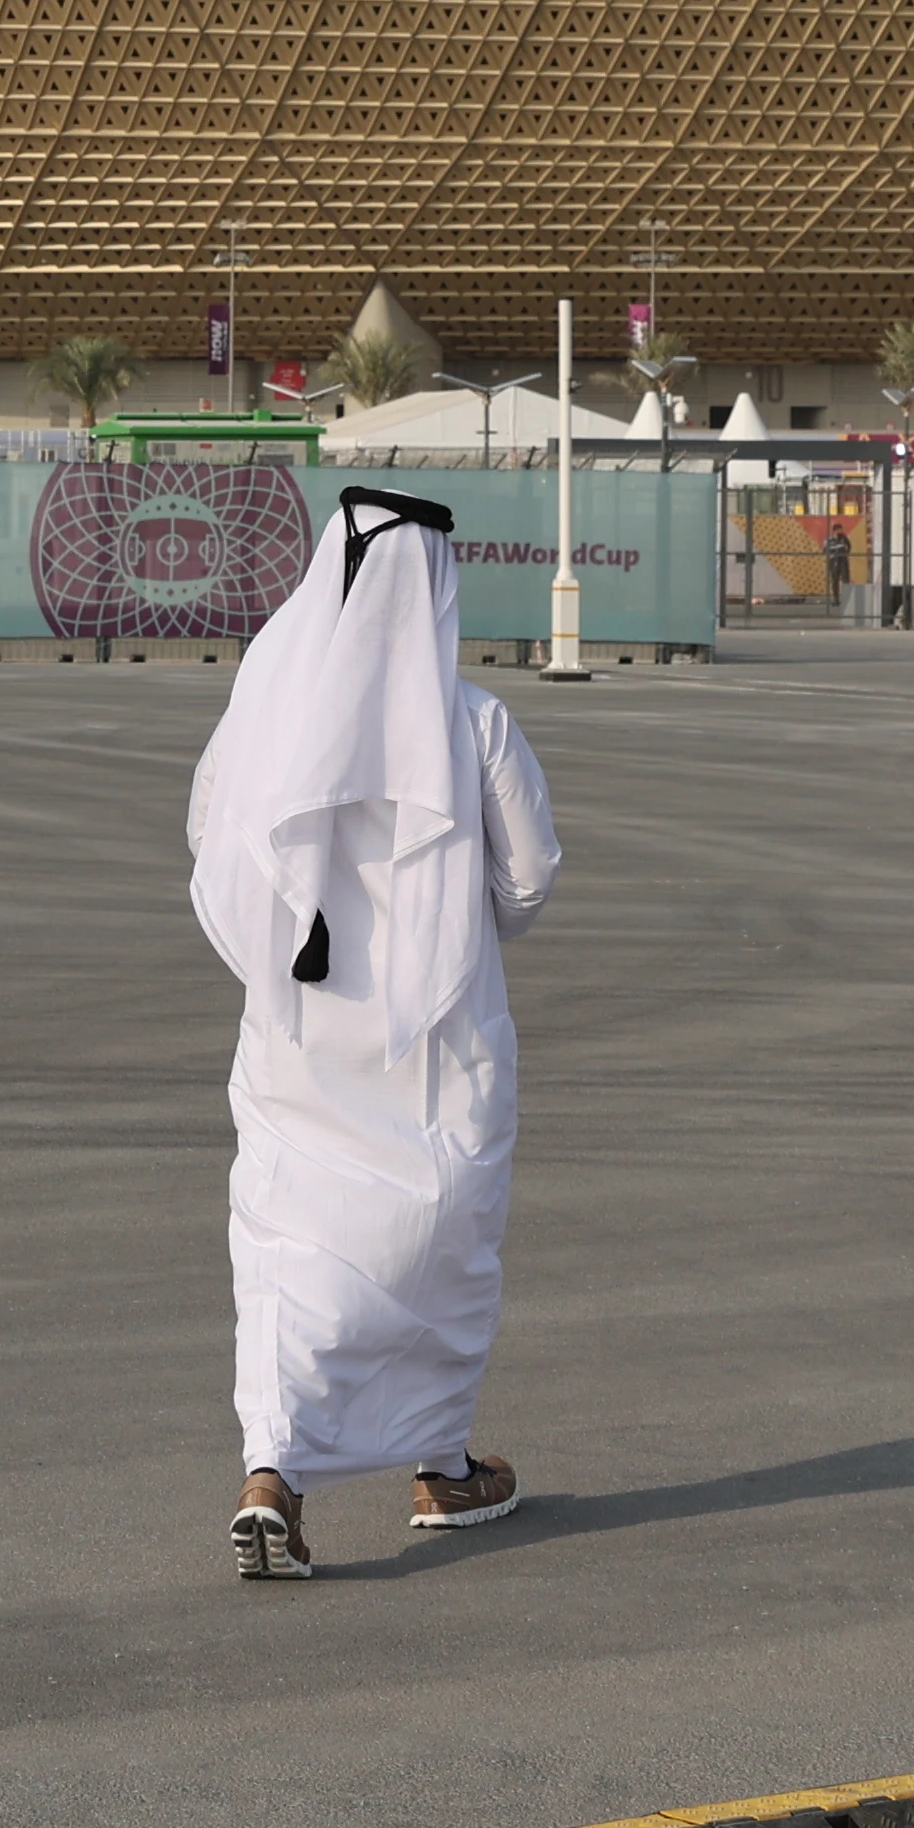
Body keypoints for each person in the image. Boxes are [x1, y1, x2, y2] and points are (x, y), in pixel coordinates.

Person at [190, 484, 564, 1578]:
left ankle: (274, 1478)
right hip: (437, 1039)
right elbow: (531, 881)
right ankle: (441, 1469)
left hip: (297, 1038)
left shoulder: (260, 712)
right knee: (438, 1248)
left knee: (290, 1251)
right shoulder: (474, 720)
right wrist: (451, 917)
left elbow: (209, 840)